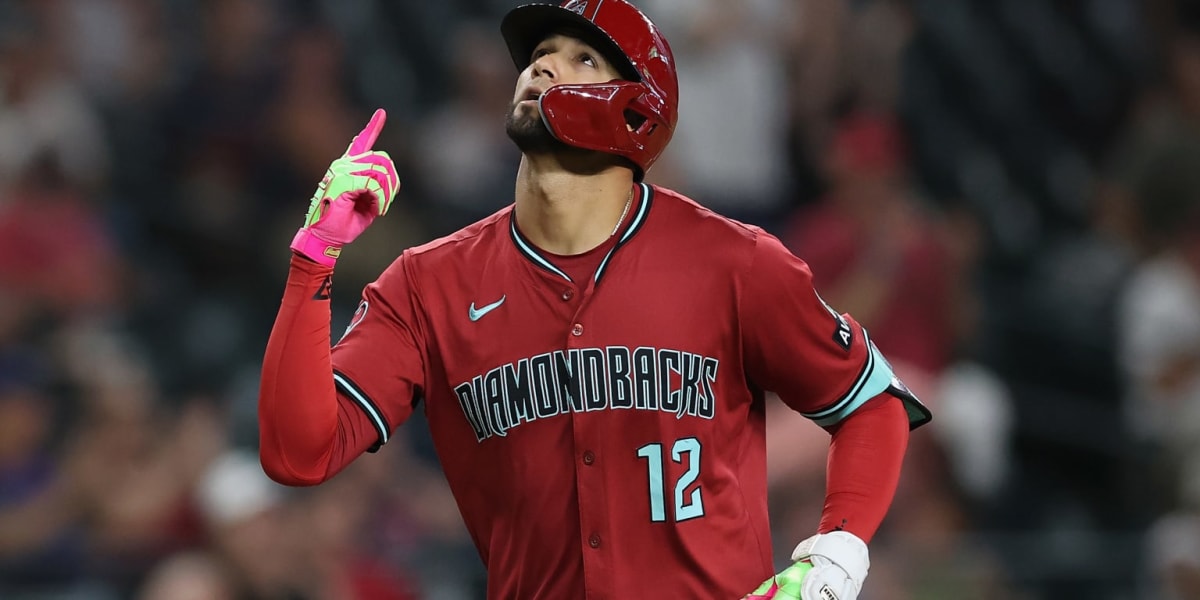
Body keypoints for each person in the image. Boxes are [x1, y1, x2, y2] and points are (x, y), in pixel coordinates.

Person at [257, 1, 931, 598]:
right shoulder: (428, 284)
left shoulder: (734, 261)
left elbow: (871, 403)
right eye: (540, 55)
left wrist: (839, 550)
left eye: (582, 58)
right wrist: (313, 258)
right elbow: (299, 454)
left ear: (641, 109)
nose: (543, 68)